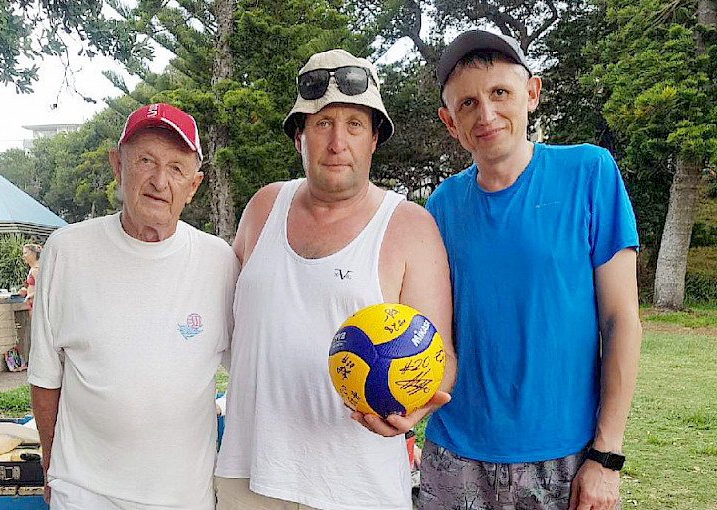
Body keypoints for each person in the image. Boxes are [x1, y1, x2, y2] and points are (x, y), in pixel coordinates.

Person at [215, 49, 456, 510]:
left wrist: (417, 406)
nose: (337, 142)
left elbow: (441, 356)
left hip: (356, 487)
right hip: (248, 478)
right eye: (322, 123)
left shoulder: (409, 226)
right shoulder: (263, 208)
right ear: (299, 138)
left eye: (354, 125)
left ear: (373, 140)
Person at [419, 30, 643, 510]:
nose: (486, 114)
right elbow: (428, 331)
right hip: (454, 455)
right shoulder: (439, 207)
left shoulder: (590, 173)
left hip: (565, 458)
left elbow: (622, 319)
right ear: (449, 122)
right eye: (467, 104)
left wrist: (606, 456)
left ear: (532, 94)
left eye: (500, 93)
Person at [29, 103, 239, 510]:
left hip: (183, 497)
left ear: (194, 186)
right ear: (118, 166)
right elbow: (44, 375)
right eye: (145, 160)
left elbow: (249, 370)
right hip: (84, 492)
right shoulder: (66, 251)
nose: (160, 180)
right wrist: (50, 464)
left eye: (177, 168)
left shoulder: (219, 262)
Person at [17, 243, 41, 308]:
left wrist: (30, 296)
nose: (23, 256)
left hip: (37, 305)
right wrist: (26, 291)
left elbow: (43, 289)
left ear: (33, 254)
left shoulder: (36, 270)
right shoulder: (32, 269)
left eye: (25, 253)